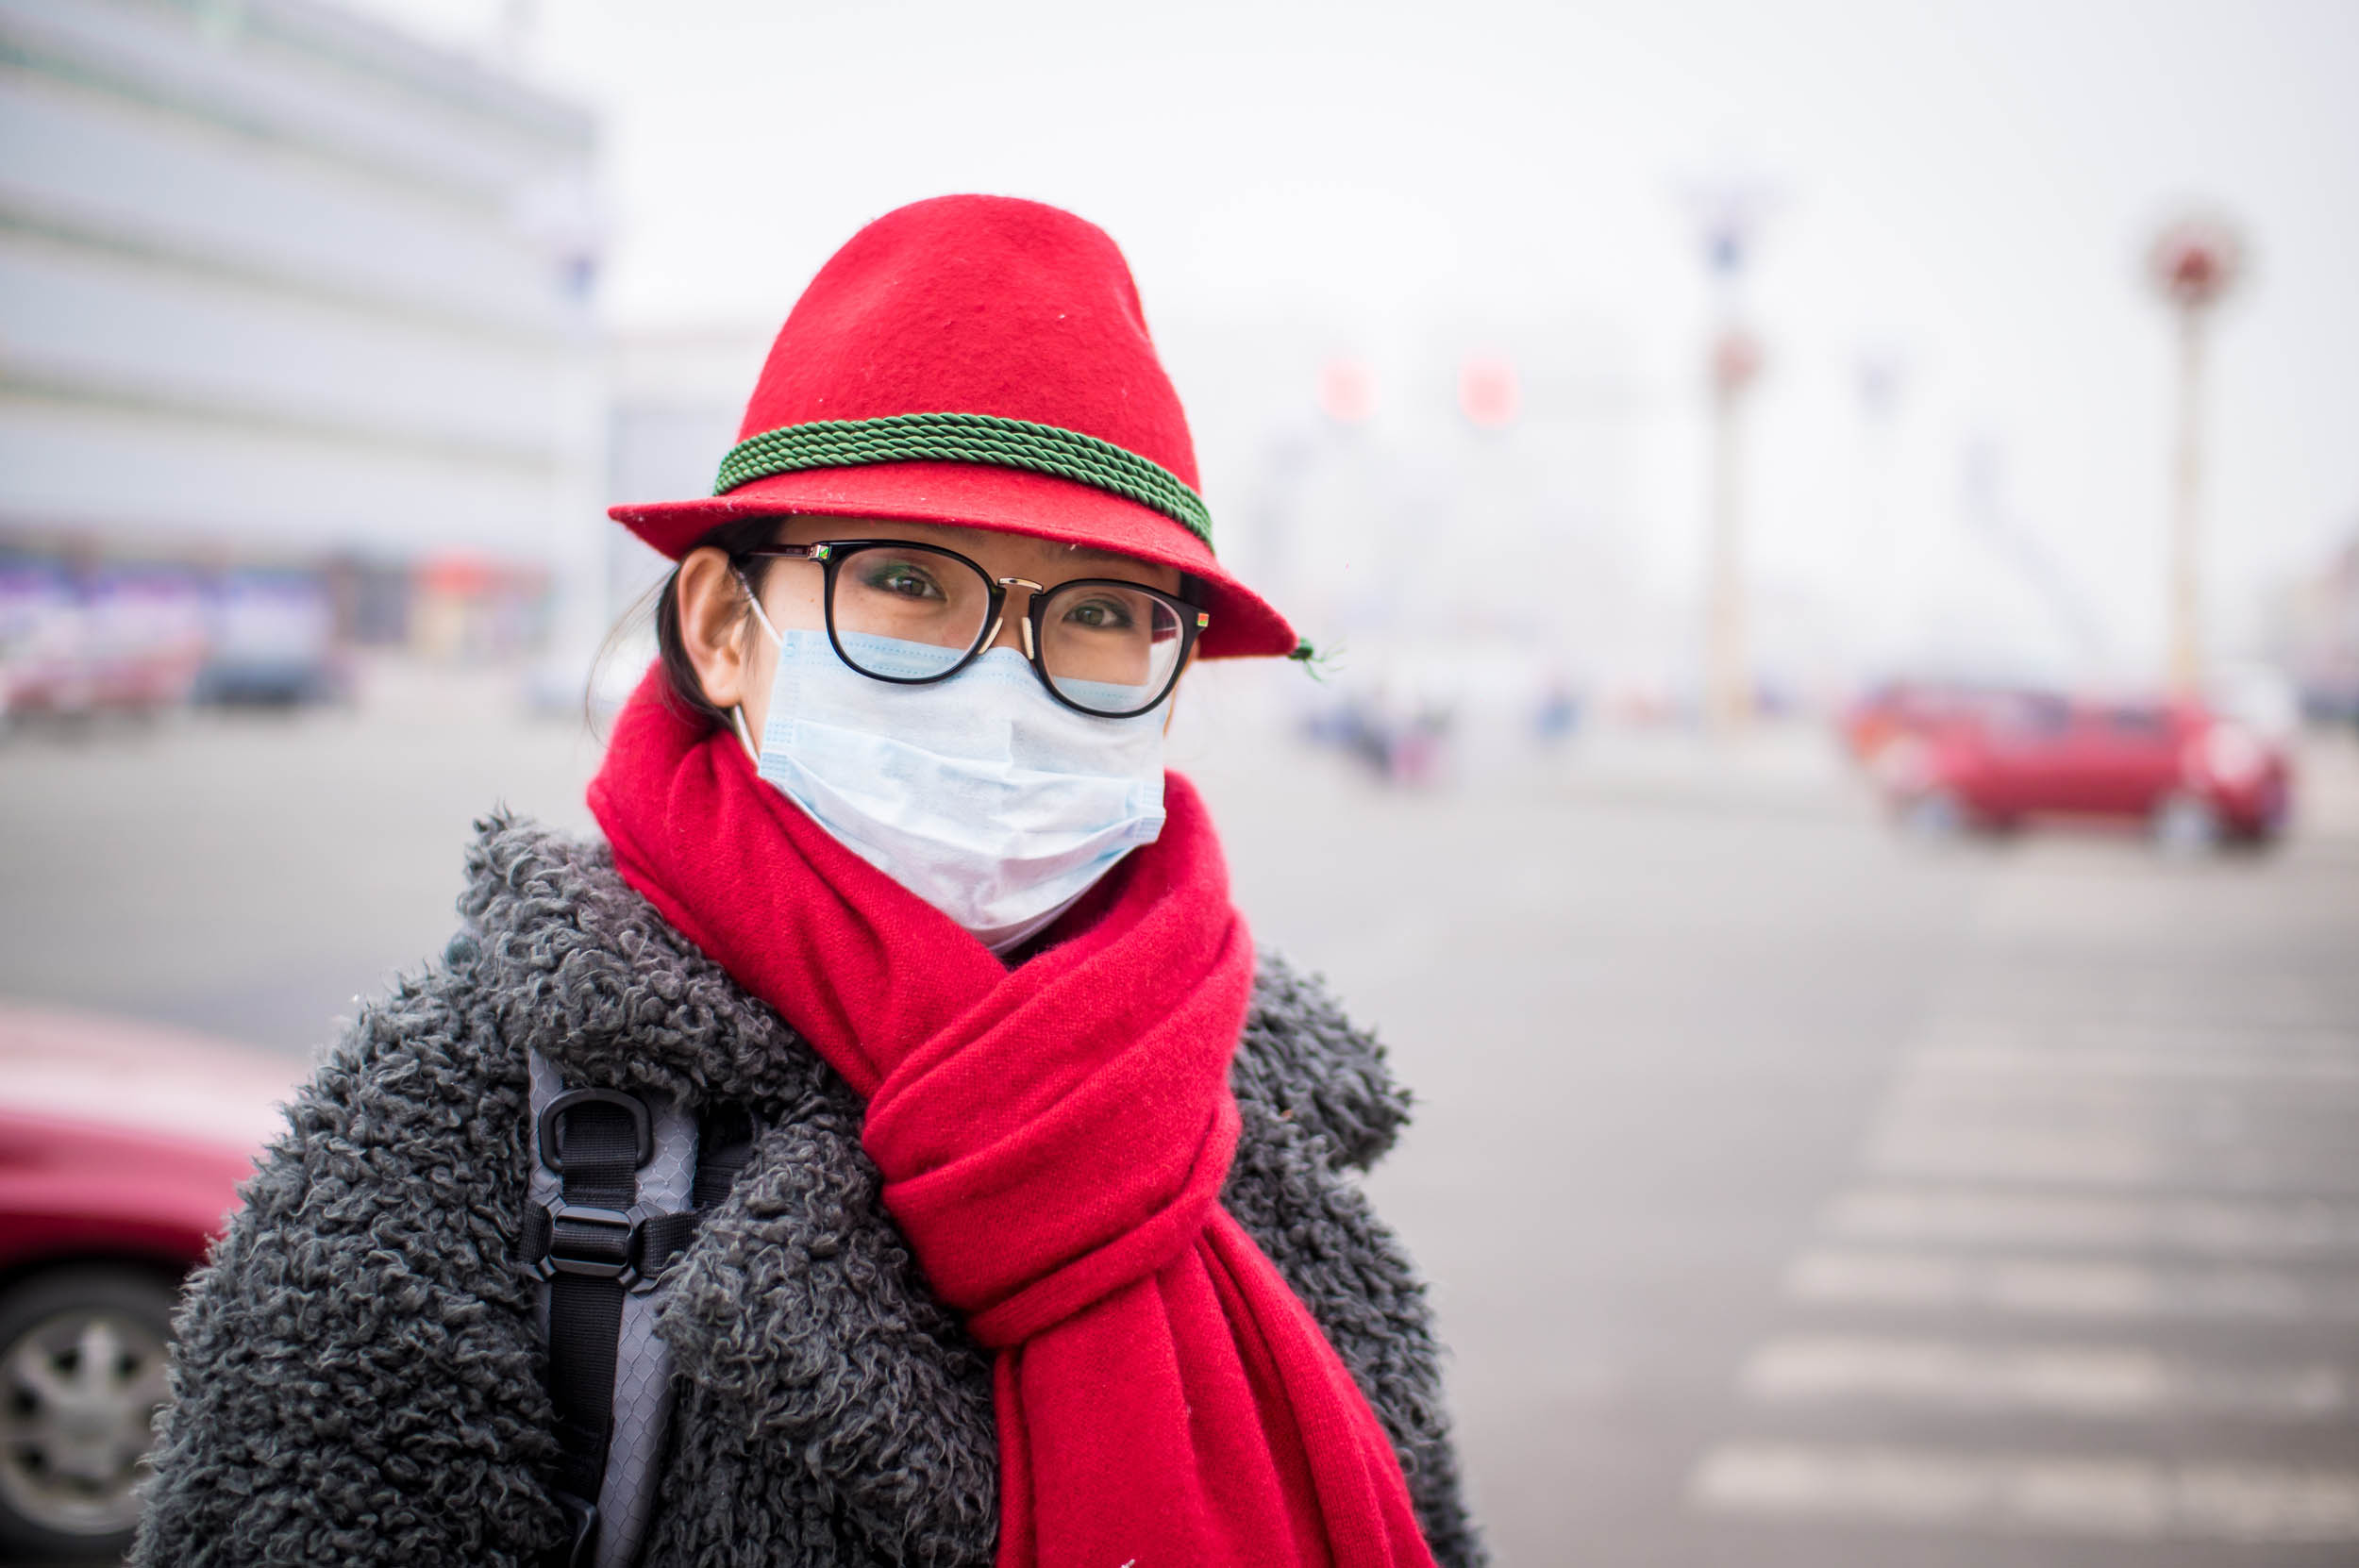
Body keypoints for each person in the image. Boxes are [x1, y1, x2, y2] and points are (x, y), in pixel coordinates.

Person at [135, 195, 1483, 1568]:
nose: (1006, 683)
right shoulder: (462, 1121)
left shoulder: (1260, 1124)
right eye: (907, 580)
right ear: (727, 627)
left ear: (1171, 681)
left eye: (1097, 614)